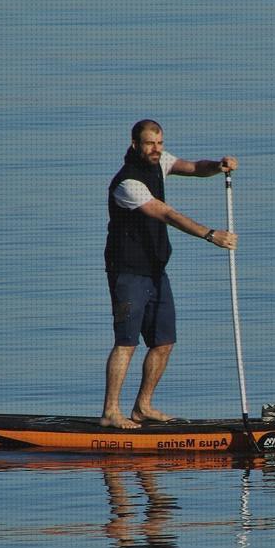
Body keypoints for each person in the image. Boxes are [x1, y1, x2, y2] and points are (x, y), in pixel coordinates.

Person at [100, 119, 238, 429]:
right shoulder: (127, 183)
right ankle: (110, 412)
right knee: (126, 343)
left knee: (163, 342)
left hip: (156, 270)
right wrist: (210, 234)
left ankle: (142, 407)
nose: (156, 149)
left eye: (159, 143)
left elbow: (193, 167)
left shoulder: (160, 161)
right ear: (135, 144)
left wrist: (217, 166)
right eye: (150, 143)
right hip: (127, 273)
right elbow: (166, 213)